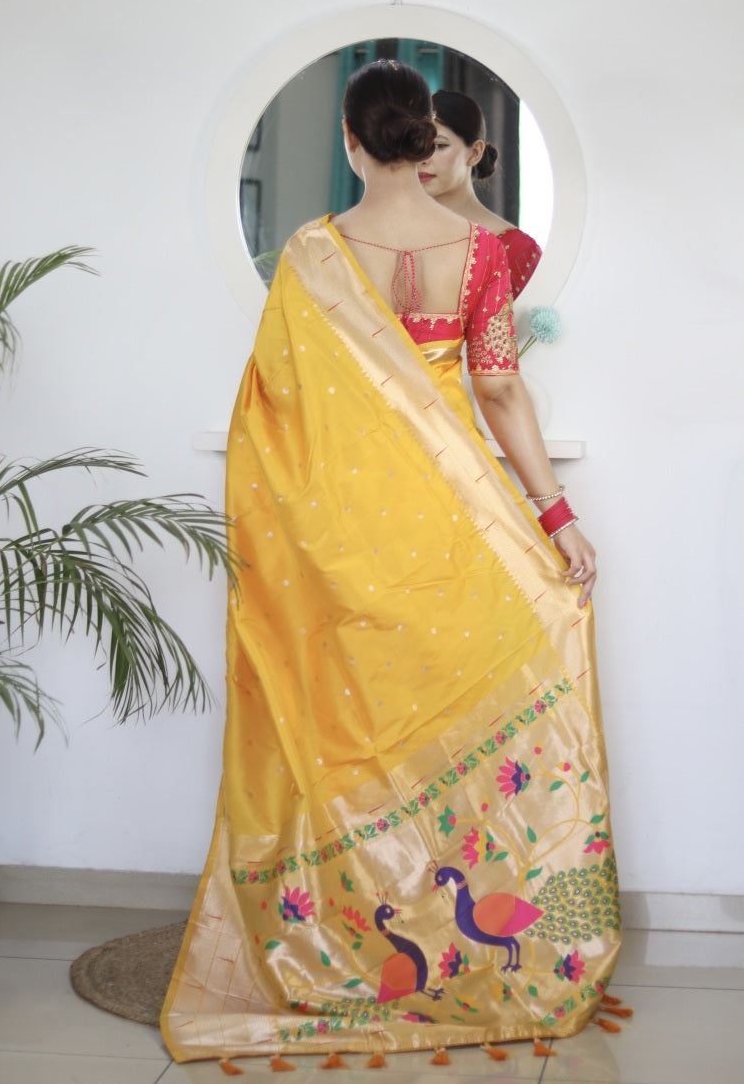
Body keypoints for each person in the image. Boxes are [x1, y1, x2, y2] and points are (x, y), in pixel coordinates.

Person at [162, 60, 620, 1068]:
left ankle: (354, 946)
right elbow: (498, 390)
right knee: (465, 708)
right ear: (425, 136)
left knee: (353, 734)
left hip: (343, 537)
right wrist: (556, 517)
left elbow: (279, 414)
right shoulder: (482, 250)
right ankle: (469, 954)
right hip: (457, 522)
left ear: (349, 139)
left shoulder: (312, 253)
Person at [419, 89, 542, 298]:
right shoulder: (390, 239)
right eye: (414, 146)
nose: (422, 158)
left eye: (439, 146)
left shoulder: (516, 250)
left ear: (475, 152)